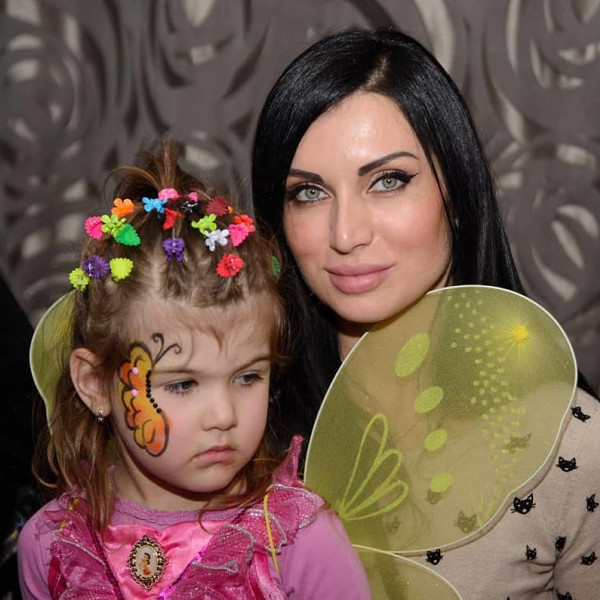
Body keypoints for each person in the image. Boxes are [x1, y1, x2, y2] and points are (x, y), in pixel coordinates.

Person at [251, 27, 600, 598]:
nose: (345, 234)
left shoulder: (571, 448)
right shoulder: (237, 432)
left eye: (387, 181)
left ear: (456, 197)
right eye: (309, 193)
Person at [17, 140, 371, 599]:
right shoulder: (50, 546)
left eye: (248, 377)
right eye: (183, 384)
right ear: (94, 384)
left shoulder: (299, 541)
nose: (224, 415)